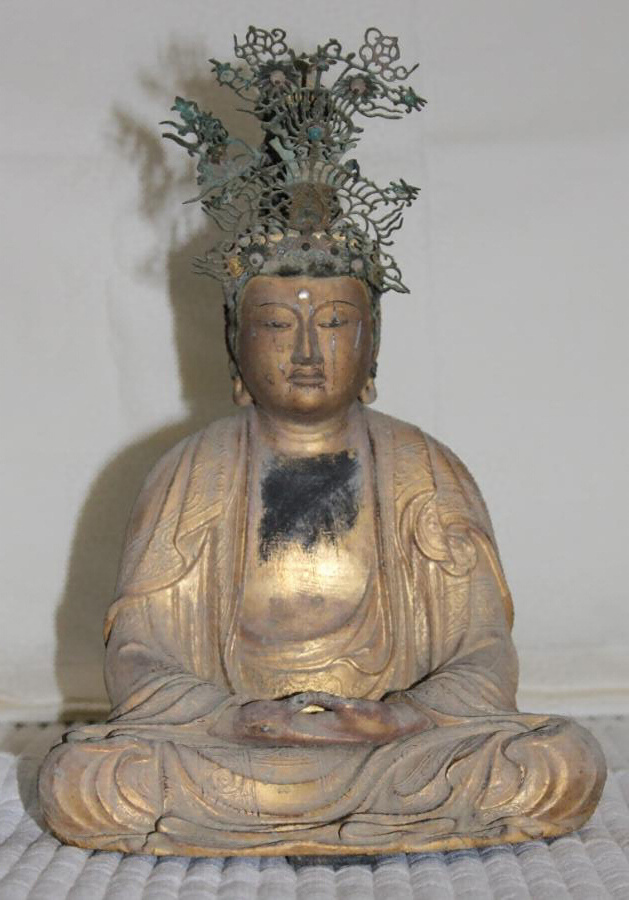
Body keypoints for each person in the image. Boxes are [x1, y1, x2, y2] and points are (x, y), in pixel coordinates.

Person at [39, 27, 606, 856]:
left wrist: (401, 715)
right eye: (276, 325)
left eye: (336, 322)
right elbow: (140, 653)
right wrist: (237, 717)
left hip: (395, 745)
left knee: (557, 763)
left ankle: (300, 814)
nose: (306, 349)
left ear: (373, 349)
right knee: (85, 780)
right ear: (234, 349)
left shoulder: (423, 468)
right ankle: (358, 818)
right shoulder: (191, 473)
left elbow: (482, 653)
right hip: (234, 742)